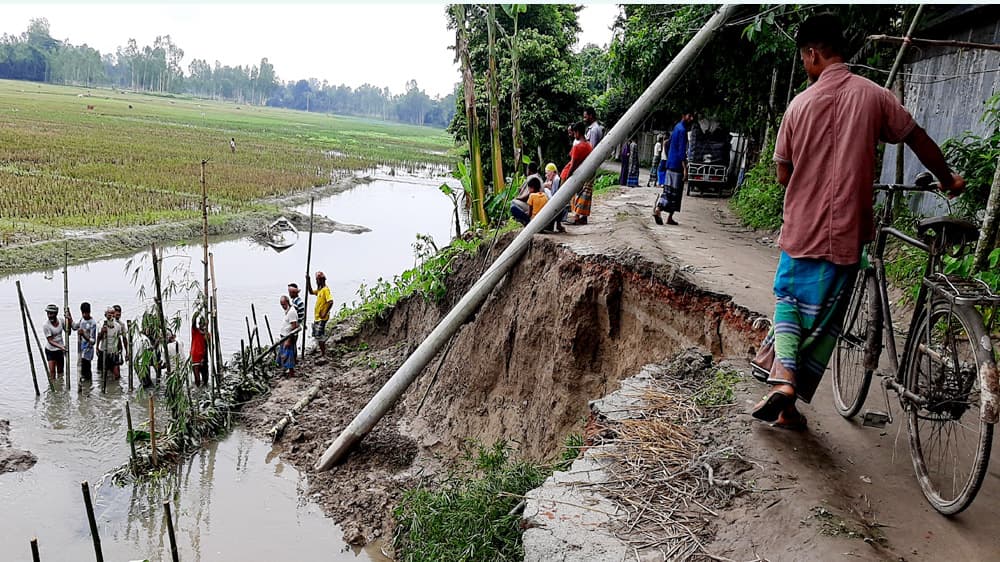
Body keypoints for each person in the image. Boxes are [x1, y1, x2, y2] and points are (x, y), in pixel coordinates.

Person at [751, 13, 965, 430]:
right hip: (849, 232)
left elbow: (782, 174)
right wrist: (947, 178)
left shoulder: (799, 105)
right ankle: (789, 405)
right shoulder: (874, 96)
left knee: (789, 305)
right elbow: (916, 136)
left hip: (801, 229)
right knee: (826, 319)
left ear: (812, 54)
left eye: (804, 57)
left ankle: (785, 380)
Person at [654, 111, 694, 226]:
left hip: (670, 164)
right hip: (677, 166)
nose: (691, 118)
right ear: (683, 115)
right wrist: (685, 168)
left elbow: (667, 144)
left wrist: (669, 156)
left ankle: (666, 214)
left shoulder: (676, 127)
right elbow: (682, 152)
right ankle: (660, 210)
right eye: (689, 115)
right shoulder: (682, 131)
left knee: (668, 190)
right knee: (675, 193)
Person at [563, 121, 594, 226]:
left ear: (577, 132)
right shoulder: (589, 145)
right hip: (589, 173)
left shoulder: (578, 147)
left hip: (580, 174)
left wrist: (567, 177)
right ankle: (583, 218)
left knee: (578, 196)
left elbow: (573, 164)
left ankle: (576, 217)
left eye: (574, 132)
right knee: (586, 196)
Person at [306, 271, 333, 356]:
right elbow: (310, 292)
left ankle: (323, 353)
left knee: (319, 336)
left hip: (322, 318)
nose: (316, 281)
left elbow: (330, 301)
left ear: (321, 280)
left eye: (317, 280)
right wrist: (308, 281)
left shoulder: (325, 290)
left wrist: (324, 313)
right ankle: (322, 351)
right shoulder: (320, 290)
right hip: (318, 317)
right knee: (317, 335)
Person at [68, 302, 97, 381]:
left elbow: (93, 341)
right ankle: (84, 388)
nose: (84, 315)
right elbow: (74, 327)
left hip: (88, 351)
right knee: (81, 371)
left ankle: (88, 387)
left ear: (89, 312)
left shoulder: (92, 323)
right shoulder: (82, 320)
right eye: (83, 313)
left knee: (86, 371)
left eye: (86, 313)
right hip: (81, 350)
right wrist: (69, 317)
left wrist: (83, 335)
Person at [97, 306, 123, 380]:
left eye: (112, 313)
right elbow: (99, 337)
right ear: (105, 314)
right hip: (104, 351)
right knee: (104, 374)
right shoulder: (101, 323)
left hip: (114, 352)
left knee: (116, 375)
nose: (110, 315)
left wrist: (120, 351)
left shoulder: (117, 326)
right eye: (108, 313)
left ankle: (115, 389)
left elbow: (118, 338)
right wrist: (97, 348)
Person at [43, 304, 67, 379]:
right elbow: (50, 340)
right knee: (52, 372)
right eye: (48, 313)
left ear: (56, 313)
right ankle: (53, 388)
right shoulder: (46, 325)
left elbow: (68, 331)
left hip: (60, 351)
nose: (49, 315)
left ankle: (60, 387)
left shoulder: (61, 321)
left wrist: (69, 318)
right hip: (50, 350)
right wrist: (61, 347)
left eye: (51, 313)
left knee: (60, 372)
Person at [277, 295, 299, 376]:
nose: (283, 306)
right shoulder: (288, 310)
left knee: (288, 354)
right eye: (281, 305)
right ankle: (286, 370)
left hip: (288, 337)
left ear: (287, 302)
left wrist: (289, 340)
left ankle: (291, 372)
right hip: (284, 336)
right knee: (284, 354)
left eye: (284, 304)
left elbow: (294, 327)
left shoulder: (292, 312)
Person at [544, 162, 566, 233]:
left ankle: (554, 224)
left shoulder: (556, 180)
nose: (546, 175)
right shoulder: (554, 180)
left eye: (548, 173)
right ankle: (556, 225)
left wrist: (547, 187)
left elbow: (554, 195)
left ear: (553, 172)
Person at [190, 317, 208, 386]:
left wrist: (203, 359)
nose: (203, 326)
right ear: (199, 324)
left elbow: (206, 348)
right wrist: (195, 316)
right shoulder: (195, 331)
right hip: (195, 359)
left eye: (204, 325)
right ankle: (197, 393)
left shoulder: (207, 335)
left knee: (205, 380)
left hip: (203, 359)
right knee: (197, 380)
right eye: (201, 324)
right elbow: (193, 324)